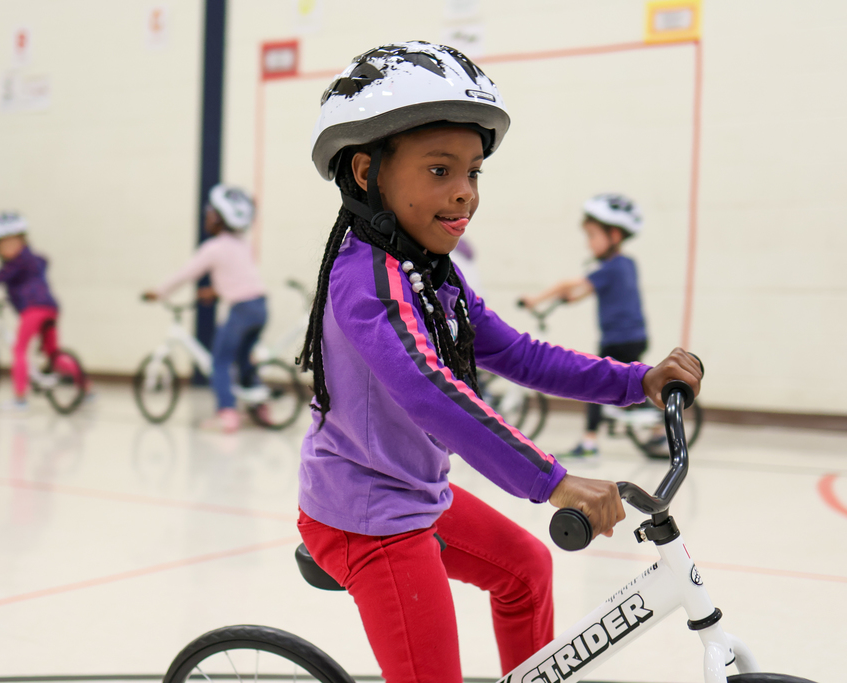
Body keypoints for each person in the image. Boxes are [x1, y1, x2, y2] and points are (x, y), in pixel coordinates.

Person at [295, 42, 702, 683]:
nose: (464, 194)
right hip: (367, 516)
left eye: (474, 172)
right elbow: (431, 394)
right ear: (368, 172)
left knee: (527, 573)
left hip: (412, 494)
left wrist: (638, 381)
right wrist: (554, 480)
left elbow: (517, 353)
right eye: (439, 171)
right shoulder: (367, 283)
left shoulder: (431, 275)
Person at [520, 194, 649, 457]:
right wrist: (572, 298)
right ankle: (654, 427)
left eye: (592, 236)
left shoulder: (610, 268)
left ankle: (589, 442)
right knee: (626, 382)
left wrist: (536, 300)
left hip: (618, 339)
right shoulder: (626, 264)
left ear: (613, 235)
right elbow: (583, 291)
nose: (588, 243)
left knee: (597, 385)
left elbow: (572, 286)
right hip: (633, 337)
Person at [143, 184, 268, 433]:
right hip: (260, 307)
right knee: (244, 360)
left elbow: (185, 274)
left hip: (241, 310)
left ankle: (227, 413)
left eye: (210, 213)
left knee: (220, 361)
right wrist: (215, 291)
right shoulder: (241, 244)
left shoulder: (213, 247)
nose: (206, 217)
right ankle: (262, 408)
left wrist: (160, 292)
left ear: (221, 219)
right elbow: (241, 278)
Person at [0, 212, 84, 411]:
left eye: (13, 242)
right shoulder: (34, 260)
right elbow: (44, 261)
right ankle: (84, 387)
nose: (8, 248)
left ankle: (20, 400)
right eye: (3, 244)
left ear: (23, 240)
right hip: (50, 307)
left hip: (33, 308)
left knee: (19, 349)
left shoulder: (17, 263)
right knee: (53, 353)